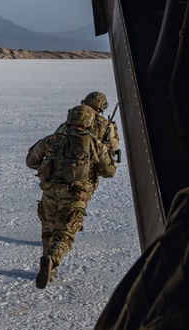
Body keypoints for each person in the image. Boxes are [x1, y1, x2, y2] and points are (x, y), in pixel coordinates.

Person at [25, 104, 116, 289]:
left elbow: (31, 161)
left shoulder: (52, 139)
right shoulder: (95, 144)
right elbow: (109, 172)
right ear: (88, 122)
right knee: (64, 237)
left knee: (48, 231)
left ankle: (49, 270)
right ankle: (52, 259)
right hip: (74, 197)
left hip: (49, 194)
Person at [57, 91, 121, 162]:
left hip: (68, 165)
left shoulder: (72, 120)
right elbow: (113, 147)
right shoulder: (105, 125)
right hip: (94, 166)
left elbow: (56, 140)